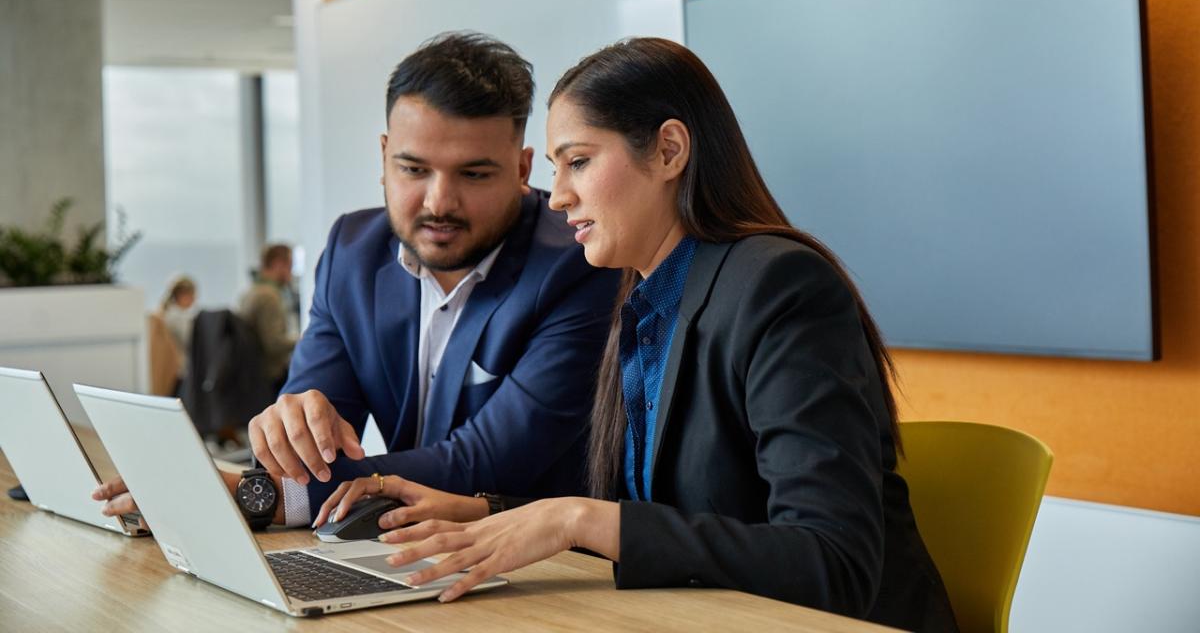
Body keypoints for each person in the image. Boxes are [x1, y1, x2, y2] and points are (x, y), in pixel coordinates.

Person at [318, 38, 958, 632]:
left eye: (579, 162)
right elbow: (661, 512)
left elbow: (832, 563)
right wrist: (488, 512)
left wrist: (575, 517)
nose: (558, 194)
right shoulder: (642, 294)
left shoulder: (781, 287)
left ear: (669, 151)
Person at [95, 32, 620, 527]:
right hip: (390, 545)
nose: (438, 202)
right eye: (413, 170)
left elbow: (484, 462)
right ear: (384, 157)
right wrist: (290, 429)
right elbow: (304, 455)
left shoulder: (578, 266)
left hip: (540, 571)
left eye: (474, 174)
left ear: (523, 168)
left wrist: (254, 498)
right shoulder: (353, 252)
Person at [238, 244, 298, 392]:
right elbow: (274, 343)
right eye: (290, 266)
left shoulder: (250, 292)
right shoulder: (269, 296)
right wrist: (305, 339)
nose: (291, 273)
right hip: (270, 379)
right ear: (278, 264)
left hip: (252, 377)